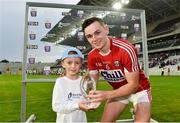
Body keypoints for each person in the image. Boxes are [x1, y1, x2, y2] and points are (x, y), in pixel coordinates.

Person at [82, 17, 152, 122]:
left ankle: (138, 110)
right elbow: (93, 84)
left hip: (139, 90)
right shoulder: (92, 56)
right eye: (89, 36)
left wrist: (106, 95)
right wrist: (91, 98)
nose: (94, 39)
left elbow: (133, 86)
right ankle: (135, 110)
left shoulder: (126, 50)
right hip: (119, 92)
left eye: (97, 32)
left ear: (106, 29)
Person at [52, 47, 91, 123]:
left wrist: (91, 100)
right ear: (63, 64)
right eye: (69, 62)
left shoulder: (84, 82)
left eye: (77, 63)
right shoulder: (60, 82)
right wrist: (77, 105)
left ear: (81, 65)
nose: (73, 66)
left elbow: (87, 101)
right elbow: (56, 107)